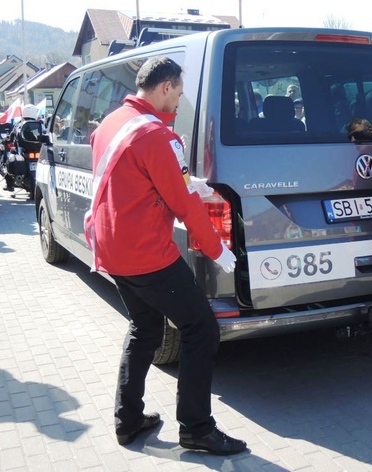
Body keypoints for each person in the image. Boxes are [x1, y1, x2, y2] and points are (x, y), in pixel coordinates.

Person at [86, 56, 246, 454]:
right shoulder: (158, 136)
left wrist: (197, 185)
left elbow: (142, 178)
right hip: (146, 254)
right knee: (201, 329)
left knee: (144, 328)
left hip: (111, 248)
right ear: (165, 87)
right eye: (178, 92)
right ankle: (196, 427)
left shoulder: (111, 123)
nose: (179, 102)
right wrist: (217, 249)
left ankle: (129, 420)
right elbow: (183, 204)